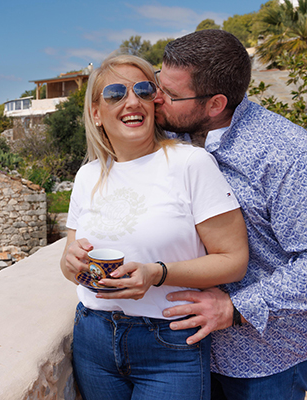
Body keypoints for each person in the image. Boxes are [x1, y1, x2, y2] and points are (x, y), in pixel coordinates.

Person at [60, 54, 249, 400]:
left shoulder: (190, 163)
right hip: (93, 337)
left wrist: (156, 273)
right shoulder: (87, 175)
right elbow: (69, 260)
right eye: (116, 93)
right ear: (96, 113)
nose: (132, 101)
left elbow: (234, 260)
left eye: (144, 90)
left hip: (169, 341)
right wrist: (71, 263)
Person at [154, 29, 307, 400]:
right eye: (158, 83)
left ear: (215, 104)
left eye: (171, 95)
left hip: (264, 361)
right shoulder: (176, 134)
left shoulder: (287, 154)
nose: (157, 99)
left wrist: (235, 308)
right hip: (185, 355)